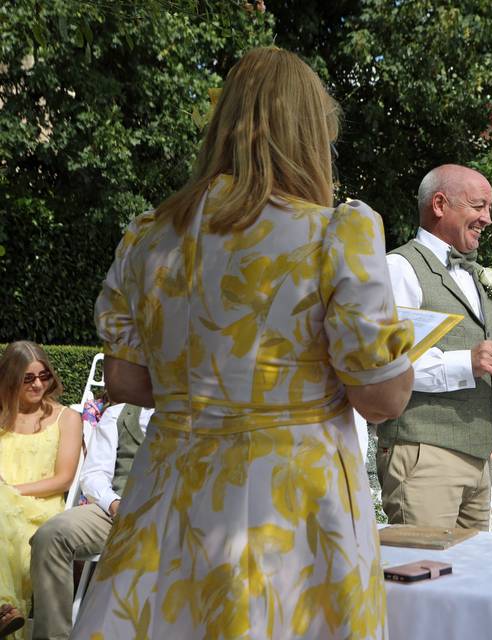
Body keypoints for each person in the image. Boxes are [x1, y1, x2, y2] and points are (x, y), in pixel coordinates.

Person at [71, 47, 414, 639]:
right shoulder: (336, 231)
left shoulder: (146, 239)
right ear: (309, 134)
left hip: (172, 491)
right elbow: (382, 401)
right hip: (296, 506)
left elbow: (126, 382)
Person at [379, 164, 492, 530]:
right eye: (479, 206)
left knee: (473, 580)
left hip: (480, 458)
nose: (488, 219)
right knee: (424, 578)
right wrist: (470, 362)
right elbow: (391, 363)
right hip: (424, 455)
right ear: (439, 204)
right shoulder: (399, 268)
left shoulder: (482, 276)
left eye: (489, 209)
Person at [29, 403, 154, 640]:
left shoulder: (205, 414)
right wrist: (115, 504)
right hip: (118, 511)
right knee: (52, 535)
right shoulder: (119, 413)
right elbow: (95, 474)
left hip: (178, 519)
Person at [0, 341, 82, 639]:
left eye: (43, 376)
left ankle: (3, 607)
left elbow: (63, 479)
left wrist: (9, 492)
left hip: (39, 510)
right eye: (28, 378)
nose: (38, 384)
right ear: (9, 379)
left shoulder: (67, 418)